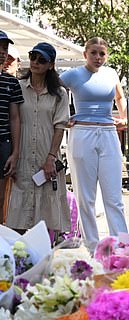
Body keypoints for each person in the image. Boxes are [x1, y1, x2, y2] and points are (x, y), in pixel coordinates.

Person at [60, 37, 128, 253]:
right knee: (86, 196)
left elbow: (120, 97)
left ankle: (120, 245)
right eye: (94, 53)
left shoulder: (111, 73)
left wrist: (125, 117)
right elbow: (53, 90)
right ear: (85, 54)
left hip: (108, 133)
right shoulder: (73, 74)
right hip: (82, 133)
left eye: (102, 53)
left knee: (114, 197)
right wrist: (64, 117)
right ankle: (93, 247)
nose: (98, 57)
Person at [6, 42, 70, 238]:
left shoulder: (59, 93)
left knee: (47, 219)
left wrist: (51, 157)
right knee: (17, 217)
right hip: (23, 153)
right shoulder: (18, 87)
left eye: (42, 60)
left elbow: (60, 126)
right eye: (33, 56)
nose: (35, 62)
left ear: (50, 64)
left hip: (46, 155)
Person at [0, 30, 22, 224]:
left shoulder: (11, 82)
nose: (2, 52)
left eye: (5, 48)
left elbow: (15, 118)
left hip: (3, 143)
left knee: (1, 198)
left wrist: (15, 153)